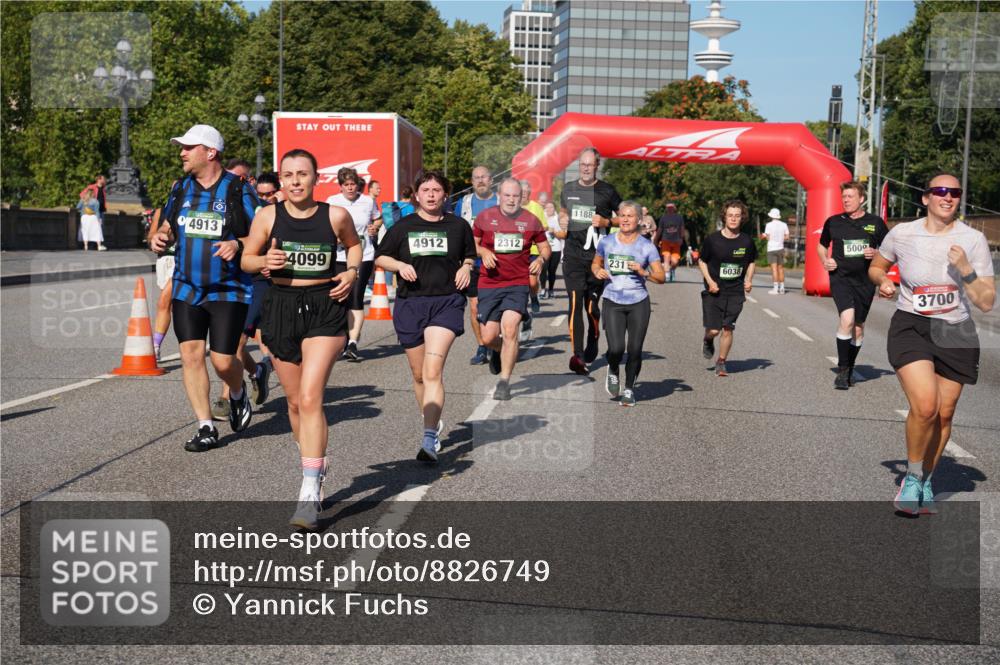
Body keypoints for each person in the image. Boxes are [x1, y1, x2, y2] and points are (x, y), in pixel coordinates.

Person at [242, 148, 361, 529]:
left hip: (324, 306)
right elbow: (246, 258)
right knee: (294, 403)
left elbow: (354, 246)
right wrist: (263, 263)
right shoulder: (267, 215)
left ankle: (309, 490)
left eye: (303, 174)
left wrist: (352, 272)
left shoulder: (335, 215)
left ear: (316, 178)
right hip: (280, 306)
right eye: (288, 174)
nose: (295, 181)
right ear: (281, 179)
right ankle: (313, 459)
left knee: (311, 397)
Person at [869, 173, 995, 515]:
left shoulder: (972, 240)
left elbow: (986, 302)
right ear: (925, 198)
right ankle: (911, 477)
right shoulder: (902, 233)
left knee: (945, 413)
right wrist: (883, 281)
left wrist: (966, 270)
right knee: (925, 406)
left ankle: (926, 478)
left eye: (955, 192)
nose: (948, 197)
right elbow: (878, 267)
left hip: (955, 330)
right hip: (912, 324)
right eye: (940, 191)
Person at [148, 124, 258, 452]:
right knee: (191, 355)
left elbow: (264, 233)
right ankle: (205, 426)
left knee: (223, 361)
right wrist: (160, 236)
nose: (182, 152)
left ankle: (237, 394)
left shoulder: (238, 189)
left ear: (210, 152)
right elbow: (169, 224)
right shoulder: (181, 188)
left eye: (188, 147)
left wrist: (238, 245)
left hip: (228, 288)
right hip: (187, 287)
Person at [375, 171, 476, 463]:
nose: (431, 194)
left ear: (446, 194)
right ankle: (431, 421)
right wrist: (398, 265)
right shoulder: (403, 226)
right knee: (418, 375)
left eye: (436, 190)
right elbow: (380, 256)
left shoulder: (458, 226)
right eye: (426, 190)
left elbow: (469, 255)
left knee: (432, 372)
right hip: (411, 303)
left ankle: (429, 438)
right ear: (416, 195)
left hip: (446, 302)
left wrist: (466, 266)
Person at [474, 178, 551, 400]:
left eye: (515, 196)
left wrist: (540, 261)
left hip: (517, 284)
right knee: (488, 337)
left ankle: (504, 381)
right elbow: (472, 243)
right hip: (489, 283)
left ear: (522, 197)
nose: (511, 200)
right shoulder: (485, 218)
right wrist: (484, 253)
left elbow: (545, 247)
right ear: (499, 195)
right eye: (507, 195)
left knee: (509, 330)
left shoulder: (531, 221)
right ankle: (496, 350)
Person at [211, 160, 274, 419]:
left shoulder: (267, 211)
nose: (236, 183)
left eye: (242, 179)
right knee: (232, 342)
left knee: (237, 339)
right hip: (230, 279)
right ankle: (257, 371)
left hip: (257, 279)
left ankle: (227, 397)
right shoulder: (220, 207)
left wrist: (270, 259)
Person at [557, 147, 623, 375]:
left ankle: (593, 339)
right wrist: (562, 218)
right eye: (582, 164)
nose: (586, 168)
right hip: (574, 256)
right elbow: (563, 211)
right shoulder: (568, 189)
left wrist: (606, 221)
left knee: (591, 307)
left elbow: (625, 217)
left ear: (597, 166)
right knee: (575, 303)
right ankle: (578, 355)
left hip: (597, 259)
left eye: (590, 164)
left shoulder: (607, 191)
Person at [817, 181, 890, 390]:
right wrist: (825, 260)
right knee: (847, 319)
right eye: (844, 197)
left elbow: (889, 251)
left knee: (858, 327)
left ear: (862, 199)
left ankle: (850, 366)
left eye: (850, 197)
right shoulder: (834, 222)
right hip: (841, 278)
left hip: (865, 281)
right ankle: (842, 370)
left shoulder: (875, 223)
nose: (846, 200)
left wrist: (877, 254)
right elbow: (821, 246)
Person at [592, 201, 665, 406]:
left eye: (630, 216)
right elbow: (595, 263)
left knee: (634, 349)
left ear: (639, 220)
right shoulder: (606, 242)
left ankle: (629, 389)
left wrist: (643, 273)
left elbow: (661, 276)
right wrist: (597, 271)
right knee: (616, 348)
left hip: (638, 301)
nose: (625, 219)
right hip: (613, 299)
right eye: (622, 215)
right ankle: (613, 368)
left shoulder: (646, 246)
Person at [698, 200, 757, 377]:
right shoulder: (713, 240)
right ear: (724, 217)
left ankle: (721, 362)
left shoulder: (746, 241)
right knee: (714, 330)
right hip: (714, 290)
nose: (733, 219)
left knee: (728, 328)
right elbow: (702, 261)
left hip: (735, 291)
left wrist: (748, 279)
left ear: (742, 218)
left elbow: (752, 261)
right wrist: (710, 281)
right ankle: (708, 339)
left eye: (737, 216)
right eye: (730, 215)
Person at [327, 167, 378, 361]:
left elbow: (377, 218)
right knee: (340, 298)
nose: (350, 188)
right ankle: (342, 338)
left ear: (358, 185)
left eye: (353, 184)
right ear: (340, 186)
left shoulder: (367, 201)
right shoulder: (333, 202)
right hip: (339, 256)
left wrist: (374, 227)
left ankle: (353, 343)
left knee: (356, 296)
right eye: (346, 184)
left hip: (363, 255)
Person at [452, 165, 498, 365]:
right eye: (476, 178)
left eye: (484, 177)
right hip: (472, 262)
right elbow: (455, 229)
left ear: (491, 181)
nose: (480, 181)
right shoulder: (464, 202)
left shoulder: (502, 201)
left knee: (499, 306)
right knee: (474, 307)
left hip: (499, 263)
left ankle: (497, 341)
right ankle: (482, 346)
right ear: (471, 182)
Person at [148, 206, 173, 360]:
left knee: (163, 301)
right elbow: (151, 235)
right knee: (174, 306)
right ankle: (192, 343)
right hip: (164, 260)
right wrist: (154, 241)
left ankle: (155, 346)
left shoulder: (196, 207)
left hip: (182, 260)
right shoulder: (162, 210)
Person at [521, 179, 547, 318]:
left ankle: (534, 296)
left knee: (532, 281)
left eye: (526, 192)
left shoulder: (536, 207)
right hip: (517, 251)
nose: (524, 194)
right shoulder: (512, 206)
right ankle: (521, 307)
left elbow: (544, 226)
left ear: (530, 193)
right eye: (522, 192)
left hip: (533, 250)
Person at [654, 202, 686, 283]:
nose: (670, 208)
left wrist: (681, 238)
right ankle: (667, 275)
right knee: (666, 257)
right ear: (666, 209)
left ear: (674, 208)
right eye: (668, 207)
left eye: (671, 207)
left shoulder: (679, 217)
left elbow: (682, 228)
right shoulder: (663, 218)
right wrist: (656, 239)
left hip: (676, 241)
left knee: (675, 261)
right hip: (666, 240)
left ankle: (672, 270)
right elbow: (660, 229)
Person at [762, 208, 790, 294]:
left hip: (771, 248)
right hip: (780, 248)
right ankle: (782, 288)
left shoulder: (768, 225)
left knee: (774, 269)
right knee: (780, 268)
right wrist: (780, 238)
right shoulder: (784, 224)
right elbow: (787, 237)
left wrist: (764, 236)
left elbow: (768, 237)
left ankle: (775, 289)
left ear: (771, 216)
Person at [541, 200, 563, 299]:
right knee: (543, 270)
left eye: (551, 207)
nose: (549, 209)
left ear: (554, 209)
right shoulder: (542, 218)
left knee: (552, 271)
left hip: (556, 249)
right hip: (544, 248)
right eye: (547, 207)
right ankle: (542, 290)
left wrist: (554, 232)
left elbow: (563, 234)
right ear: (545, 209)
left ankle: (551, 290)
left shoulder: (558, 219)